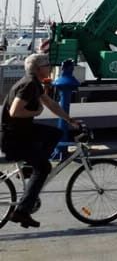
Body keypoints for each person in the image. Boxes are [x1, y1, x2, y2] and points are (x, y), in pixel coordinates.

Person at [0, 53, 81, 229]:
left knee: (54, 134)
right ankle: (22, 211)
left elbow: (51, 104)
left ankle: (30, 168)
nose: (50, 67)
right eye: (47, 65)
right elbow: (15, 112)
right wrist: (36, 113)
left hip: (21, 133)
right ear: (38, 69)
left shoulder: (33, 83)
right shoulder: (29, 85)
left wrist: (69, 120)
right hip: (14, 138)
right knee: (44, 167)